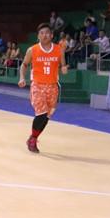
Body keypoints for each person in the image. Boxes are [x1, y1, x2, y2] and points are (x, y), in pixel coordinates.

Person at [19, 23, 68, 153]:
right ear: (38, 36)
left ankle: (33, 137)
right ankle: (33, 139)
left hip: (53, 86)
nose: (44, 35)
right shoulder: (32, 50)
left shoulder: (59, 49)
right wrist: (22, 78)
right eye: (42, 33)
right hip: (37, 85)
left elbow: (63, 65)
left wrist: (64, 68)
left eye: (47, 33)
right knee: (41, 113)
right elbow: (24, 65)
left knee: (47, 116)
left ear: (52, 35)